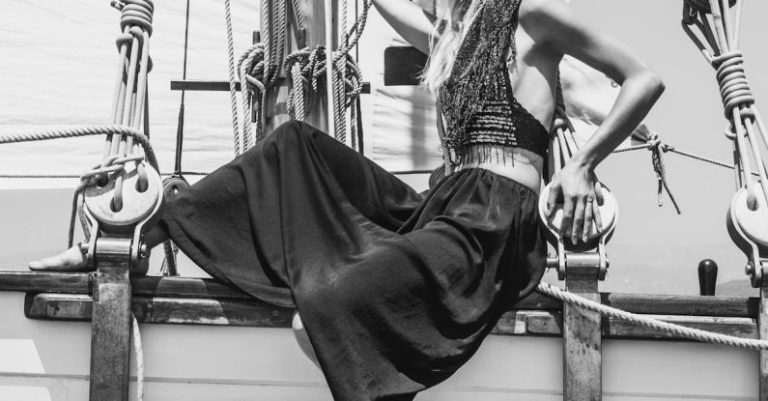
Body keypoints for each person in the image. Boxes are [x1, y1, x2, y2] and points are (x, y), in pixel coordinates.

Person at [30, 0, 664, 399]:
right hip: (442, 208)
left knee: (321, 309)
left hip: (494, 223)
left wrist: (581, 164)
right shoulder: (449, 30)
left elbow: (645, 79)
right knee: (295, 145)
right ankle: (150, 229)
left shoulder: (533, 15)